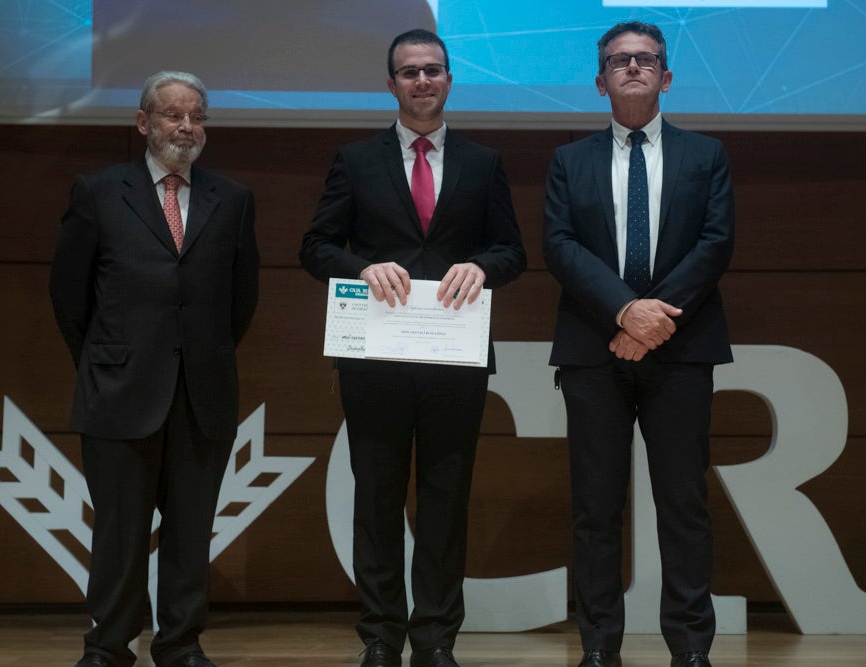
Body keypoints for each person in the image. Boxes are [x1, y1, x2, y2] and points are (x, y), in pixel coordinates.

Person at [300, 29, 526, 667]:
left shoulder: (484, 163)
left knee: (446, 502)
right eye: (409, 72)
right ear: (391, 83)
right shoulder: (355, 159)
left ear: (450, 79)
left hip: (455, 358)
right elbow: (315, 246)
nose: (422, 81)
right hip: (374, 358)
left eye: (433, 70)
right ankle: (379, 638)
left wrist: (483, 267)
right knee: (375, 500)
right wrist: (360, 267)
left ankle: (435, 640)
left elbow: (513, 251)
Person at [49, 71, 260, 667]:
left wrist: (201, 356)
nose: (186, 127)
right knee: (118, 532)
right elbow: (68, 296)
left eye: (197, 117)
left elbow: (241, 301)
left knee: (191, 531)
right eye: (173, 115)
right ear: (143, 123)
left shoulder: (234, 199)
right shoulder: (97, 192)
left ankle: (181, 644)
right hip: (118, 390)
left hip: (203, 393)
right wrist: (105, 359)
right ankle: (108, 645)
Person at [543, 22, 735, 667]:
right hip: (595, 351)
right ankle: (599, 647)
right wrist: (626, 313)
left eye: (645, 59)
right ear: (600, 82)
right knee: (596, 508)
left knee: (684, 504)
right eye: (618, 61)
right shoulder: (569, 160)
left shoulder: (706, 154)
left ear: (667, 76)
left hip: (681, 352)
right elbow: (560, 247)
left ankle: (690, 650)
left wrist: (653, 321)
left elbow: (716, 243)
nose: (632, 68)